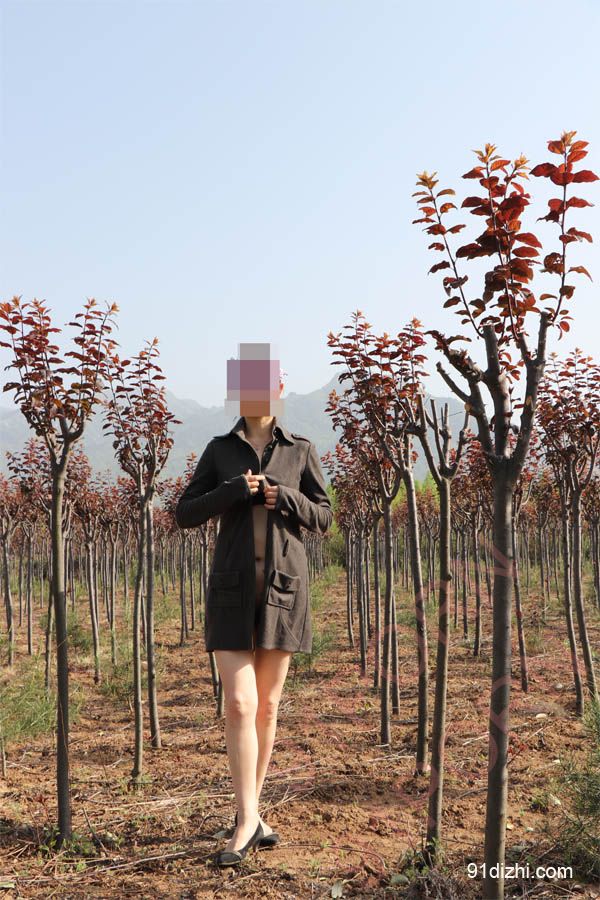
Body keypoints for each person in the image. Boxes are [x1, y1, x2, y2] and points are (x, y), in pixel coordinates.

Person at [175, 350, 333, 866]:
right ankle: (247, 821)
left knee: (266, 706)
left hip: (283, 593)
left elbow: (324, 517)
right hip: (231, 592)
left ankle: (251, 814)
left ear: (279, 390)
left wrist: (284, 497)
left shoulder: (300, 449)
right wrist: (229, 492)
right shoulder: (220, 449)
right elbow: (184, 512)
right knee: (240, 704)